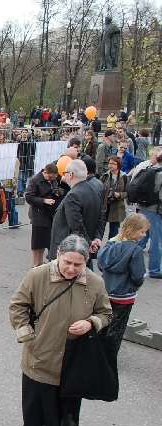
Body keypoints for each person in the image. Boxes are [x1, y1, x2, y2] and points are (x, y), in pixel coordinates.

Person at [9, 234, 112, 426]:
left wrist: (91, 323)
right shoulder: (38, 275)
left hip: (73, 358)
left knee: (62, 403)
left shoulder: (95, 283)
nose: (71, 268)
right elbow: (17, 305)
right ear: (58, 255)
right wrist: (28, 337)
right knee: (34, 405)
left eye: (78, 264)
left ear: (86, 261)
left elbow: (106, 313)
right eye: (67, 262)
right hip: (40, 354)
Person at [98, 213, 149, 359]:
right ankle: (110, 359)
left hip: (107, 291)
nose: (144, 235)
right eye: (142, 231)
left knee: (104, 324)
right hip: (125, 295)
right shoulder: (135, 250)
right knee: (117, 329)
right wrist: (137, 285)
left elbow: (101, 265)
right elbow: (138, 276)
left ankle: (99, 354)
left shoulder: (110, 244)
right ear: (133, 230)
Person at [49, 159, 102, 261]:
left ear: (71, 175)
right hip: (84, 244)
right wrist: (97, 237)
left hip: (69, 246)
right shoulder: (94, 190)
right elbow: (101, 216)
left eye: (65, 173)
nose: (64, 176)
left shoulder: (73, 195)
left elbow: (75, 224)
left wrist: (88, 242)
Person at [25, 163, 61, 267]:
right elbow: (29, 197)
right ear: (45, 172)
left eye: (54, 178)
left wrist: (56, 193)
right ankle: (36, 263)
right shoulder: (35, 180)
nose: (52, 179)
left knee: (44, 240)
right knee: (37, 241)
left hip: (49, 213)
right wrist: (44, 200)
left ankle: (40, 262)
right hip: (38, 214)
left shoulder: (53, 180)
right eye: (50, 177)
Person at [133, 147, 162, 278]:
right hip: (155, 210)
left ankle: (133, 266)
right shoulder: (160, 173)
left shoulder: (149, 169)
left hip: (143, 207)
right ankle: (154, 270)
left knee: (140, 238)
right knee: (156, 242)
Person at [101, 156, 129, 239]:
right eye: (109, 163)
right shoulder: (105, 176)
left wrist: (120, 195)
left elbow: (128, 192)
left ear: (118, 165)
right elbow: (99, 188)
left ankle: (111, 245)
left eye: (113, 163)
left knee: (114, 229)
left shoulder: (124, 177)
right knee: (100, 227)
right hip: (105, 205)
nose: (110, 165)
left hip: (117, 206)